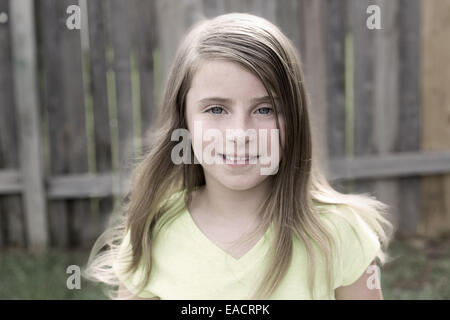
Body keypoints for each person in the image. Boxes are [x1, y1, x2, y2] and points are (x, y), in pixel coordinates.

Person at [83, 13, 393, 300]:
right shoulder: (154, 228)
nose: (240, 133)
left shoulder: (339, 232)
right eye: (216, 109)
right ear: (184, 120)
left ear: (294, 121)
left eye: (264, 109)